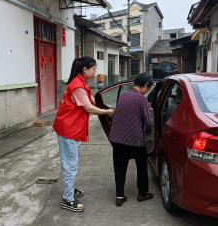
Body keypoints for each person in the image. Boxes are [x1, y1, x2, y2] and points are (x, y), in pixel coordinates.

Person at [53, 56, 114, 212]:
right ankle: (67, 199)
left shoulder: (79, 82)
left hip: (69, 128)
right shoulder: (77, 85)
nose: (95, 72)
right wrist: (107, 112)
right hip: (68, 130)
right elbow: (89, 108)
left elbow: (89, 99)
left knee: (71, 162)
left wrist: (101, 104)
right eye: (93, 69)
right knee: (70, 164)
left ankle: (69, 189)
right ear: (85, 69)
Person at [108, 73, 155, 207]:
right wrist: (147, 132)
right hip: (135, 138)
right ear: (146, 85)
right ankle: (142, 194)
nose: (148, 91)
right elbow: (149, 122)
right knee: (141, 166)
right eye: (149, 88)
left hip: (118, 137)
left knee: (119, 166)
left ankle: (119, 196)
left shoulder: (123, 95)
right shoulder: (142, 99)